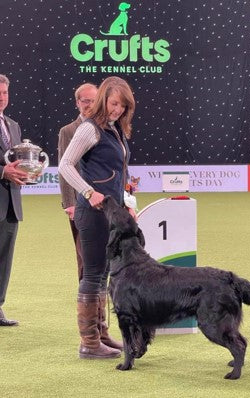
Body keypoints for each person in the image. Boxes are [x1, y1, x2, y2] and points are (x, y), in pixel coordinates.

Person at [58, 76, 136, 359]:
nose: (117, 110)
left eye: (123, 106)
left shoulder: (114, 129)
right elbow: (64, 165)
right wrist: (88, 192)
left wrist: (127, 198)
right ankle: (89, 342)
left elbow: (116, 175)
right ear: (104, 98)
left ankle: (101, 333)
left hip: (109, 214)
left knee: (103, 273)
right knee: (92, 274)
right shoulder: (89, 129)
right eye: (114, 103)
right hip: (91, 214)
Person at [58, 83, 98, 281]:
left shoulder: (106, 128)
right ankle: (86, 295)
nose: (90, 105)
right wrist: (70, 204)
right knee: (84, 254)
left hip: (102, 200)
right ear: (77, 103)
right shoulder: (68, 131)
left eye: (94, 100)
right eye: (85, 101)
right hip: (80, 203)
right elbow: (64, 169)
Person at [0, 74, 28, 327]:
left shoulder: (14, 125)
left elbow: (18, 161)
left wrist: (27, 174)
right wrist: (2, 171)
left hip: (11, 204)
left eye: (5, 93)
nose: (1, 97)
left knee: (4, 259)